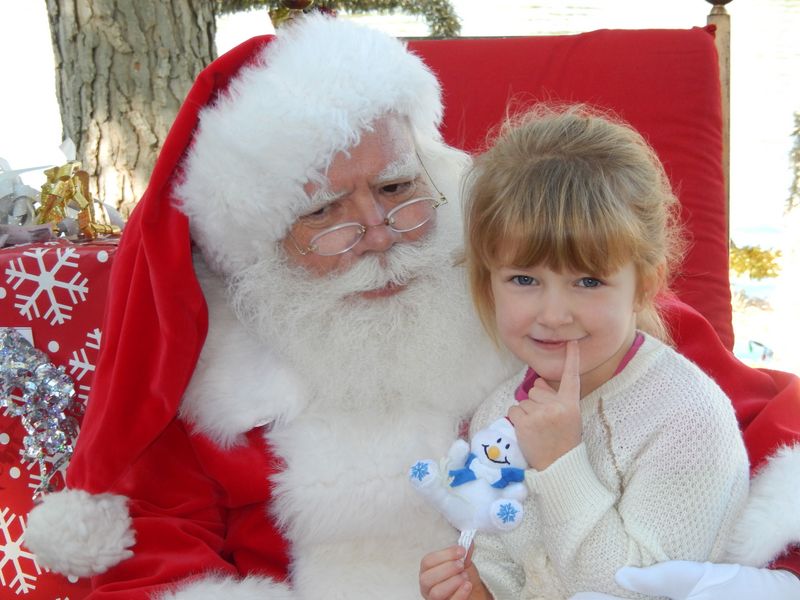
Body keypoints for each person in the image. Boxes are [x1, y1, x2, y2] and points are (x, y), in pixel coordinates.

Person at [23, 13, 800, 600]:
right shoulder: (219, 369)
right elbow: (153, 535)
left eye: (396, 188)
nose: (379, 233)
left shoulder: (522, 279)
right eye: (327, 211)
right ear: (258, 240)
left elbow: (751, 414)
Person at [418, 105, 750, 599]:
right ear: (487, 282)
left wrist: (560, 464)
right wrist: (478, 590)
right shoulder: (502, 409)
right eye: (524, 279)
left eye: (588, 281)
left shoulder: (687, 419)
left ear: (644, 286)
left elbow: (638, 591)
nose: (553, 313)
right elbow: (508, 563)